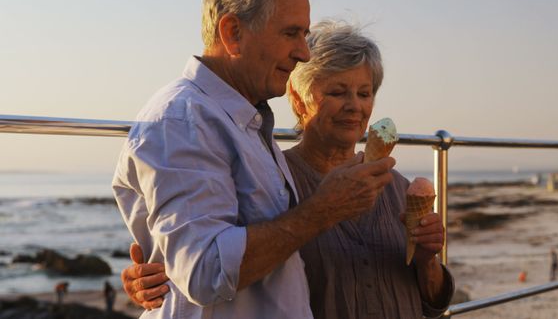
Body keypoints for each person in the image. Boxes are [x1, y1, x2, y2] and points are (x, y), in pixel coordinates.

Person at [122, 20, 454, 318]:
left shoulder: (398, 187)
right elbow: (214, 261)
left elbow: (433, 303)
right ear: (297, 98)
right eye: (337, 92)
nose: (355, 106)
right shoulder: (271, 181)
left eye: (365, 93)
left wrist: (427, 260)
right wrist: (156, 280)